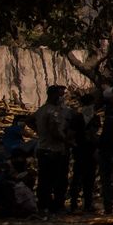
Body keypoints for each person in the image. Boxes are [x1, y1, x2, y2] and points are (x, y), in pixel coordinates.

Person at [32, 85, 73, 216]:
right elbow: (55, 131)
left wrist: (40, 133)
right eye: (61, 95)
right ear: (55, 95)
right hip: (55, 150)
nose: (63, 98)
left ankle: (44, 206)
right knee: (59, 180)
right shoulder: (54, 112)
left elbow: (29, 120)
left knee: (44, 180)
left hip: (43, 148)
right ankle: (57, 206)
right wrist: (67, 141)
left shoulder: (41, 110)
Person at [69, 92, 100, 215]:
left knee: (86, 178)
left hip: (88, 151)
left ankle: (84, 204)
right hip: (82, 151)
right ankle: (76, 204)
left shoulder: (92, 117)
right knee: (80, 178)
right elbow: (71, 134)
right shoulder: (79, 118)